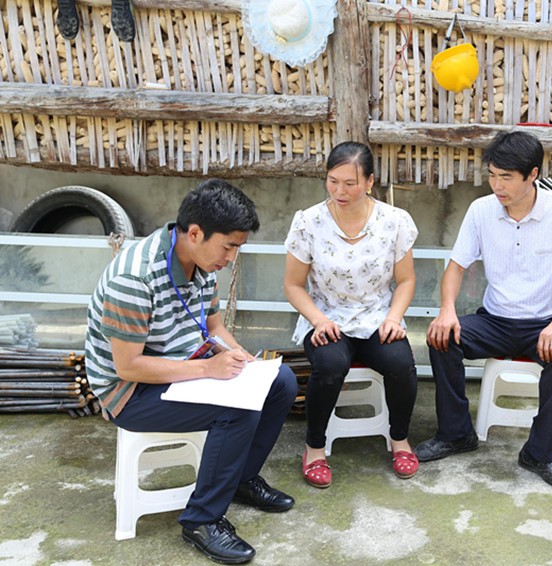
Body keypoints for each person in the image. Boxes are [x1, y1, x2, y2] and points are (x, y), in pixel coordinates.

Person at [86, 179, 298, 565]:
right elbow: (128, 366)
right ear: (196, 233)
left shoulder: (202, 261)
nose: (231, 258)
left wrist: (240, 357)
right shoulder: (134, 278)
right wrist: (208, 368)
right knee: (236, 410)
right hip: (131, 392)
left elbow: (213, 326)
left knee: (280, 382)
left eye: (238, 247)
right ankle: (202, 520)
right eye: (229, 246)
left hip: (182, 368)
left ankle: (240, 479)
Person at [414, 131, 552, 491]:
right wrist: (447, 310)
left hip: (545, 324)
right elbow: (456, 267)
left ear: (532, 175)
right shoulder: (481, 210)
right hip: (495, 321)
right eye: (492, 175)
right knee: (441, 337)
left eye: (506, 177)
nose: (496, 185)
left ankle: (540, 453)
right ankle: (456, 434)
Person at [284, 141, 419, 488]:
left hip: (377, 316)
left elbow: (405, 281)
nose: (339, 191)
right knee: (330, 365)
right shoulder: (308, 222)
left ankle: (400, 440)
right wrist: (318, 320)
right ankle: (315, 448)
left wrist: (393, 318)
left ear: (370, 182)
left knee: (401, 363)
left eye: (350, 183)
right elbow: (293, 285)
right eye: (333, 181)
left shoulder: (394, 221)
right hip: (327, 316)